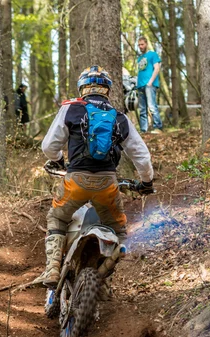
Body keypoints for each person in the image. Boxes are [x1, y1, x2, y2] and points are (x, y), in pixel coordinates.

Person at [39, 66, 155, 287]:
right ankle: (102, 275)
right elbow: (141, 156)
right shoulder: (119, 117)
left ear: (83, 87)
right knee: (119, 230)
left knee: (58, 218)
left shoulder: (71, 109)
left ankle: (52, 269)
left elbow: (48, 146)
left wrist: (58, 161)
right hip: (107, 186)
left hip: (76, 182)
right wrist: (146, 182)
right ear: (107, 90)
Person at [136, 37, 163, 134]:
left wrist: (150, 81)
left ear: (146, 44)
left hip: (149, 85)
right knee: (142, 109)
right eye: (139, 45)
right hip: (140, 85)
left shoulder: (152, 54)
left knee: (152, 106)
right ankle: (144, 130)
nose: (140, 46)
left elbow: (157, 68)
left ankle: (158, 127)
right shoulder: (139, 58)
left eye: (142, 44)